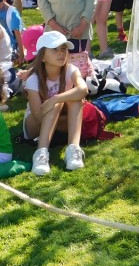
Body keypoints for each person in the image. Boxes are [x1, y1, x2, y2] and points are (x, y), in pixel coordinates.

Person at [22, 30, 89, 175]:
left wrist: (55, 99)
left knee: (74, 98)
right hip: (35, 125)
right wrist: (56, 104)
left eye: (64, 49)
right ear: (43, 57)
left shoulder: (71, 70)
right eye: (54, 49)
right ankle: (40, 154)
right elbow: (37, 116)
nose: (61, 53)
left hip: (58, 121)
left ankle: (73, 149)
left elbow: (83, 90)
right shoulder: (33, 79)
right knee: (60, 102)